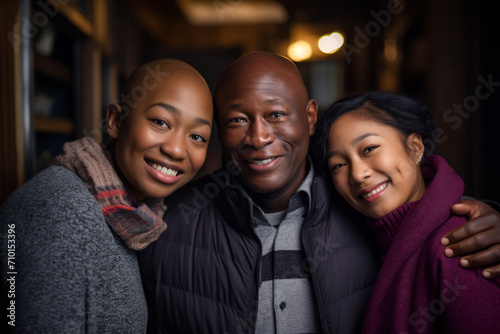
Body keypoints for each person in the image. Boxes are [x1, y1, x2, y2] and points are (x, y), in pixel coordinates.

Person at [138, 52, 500, 333]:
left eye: (277, 114)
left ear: (309, 117)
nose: (259, 137)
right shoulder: (165, 220)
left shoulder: (361, 204)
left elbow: (419, 215)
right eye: (237, 120)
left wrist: (488, 215)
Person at [0, 59, 213, 333]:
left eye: (197, 136)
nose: (176, 150)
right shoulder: (64, 210)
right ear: (115, 121)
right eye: (161, 122)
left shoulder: (138, 214)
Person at [312, 91, 500, 333]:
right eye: (338, 165)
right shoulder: (359, 243)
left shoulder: (460, 243)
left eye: (369, 149)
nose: (358, 175)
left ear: (414, 147)